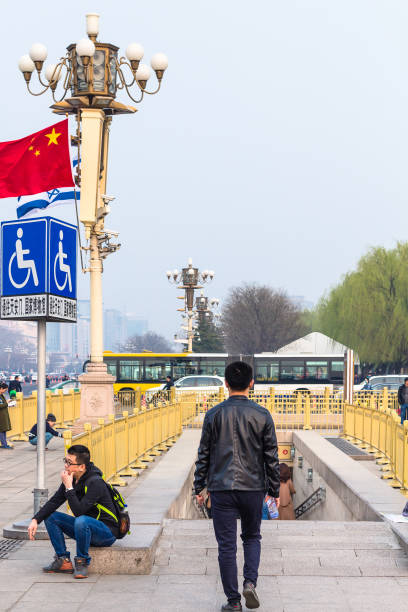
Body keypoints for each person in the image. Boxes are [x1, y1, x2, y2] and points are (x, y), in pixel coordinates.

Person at [194, 361, 280, 612]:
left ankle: (233, 602)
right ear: (251, 383)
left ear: (226, 383)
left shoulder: (213, 415)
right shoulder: (262, 415)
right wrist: (273, 490)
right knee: (252, 536)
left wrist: (199, 487)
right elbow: (271, 457)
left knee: (227, 545)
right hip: (253, 487)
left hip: (221, 488)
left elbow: (204, 455)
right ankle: (250, 583)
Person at [27, 444, 118, 578]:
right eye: (66, 461)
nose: (66, 466)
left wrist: (69, 488)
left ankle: (81, 562)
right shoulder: (73, 478)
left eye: (70, 463)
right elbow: (55, 501)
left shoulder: (95, 482)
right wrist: (35, 519)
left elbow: (79, 512)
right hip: (85, 528)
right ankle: (63, 560)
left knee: (81, 520)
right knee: (51, 517)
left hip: (106, 533)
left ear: (82, 466)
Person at [0, 382, 13, 449]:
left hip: (3, 415)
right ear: (1, 388)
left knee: (4, 430)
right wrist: (6, 403)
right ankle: (4, 444)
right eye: (4, 390)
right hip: (1, 416)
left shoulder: (2, 395)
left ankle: (4, 443)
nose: (5, 392)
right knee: (2, 430)